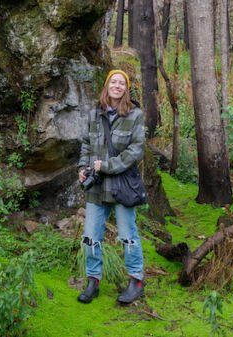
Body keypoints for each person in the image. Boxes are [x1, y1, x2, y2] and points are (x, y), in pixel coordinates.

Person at [76, 69, 145, 305]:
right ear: (107, 86)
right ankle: (93, 281)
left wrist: (106, 166)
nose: (117, 86)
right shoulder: (95, 114)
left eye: (121, 83)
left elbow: (136, 151)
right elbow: (86, 144)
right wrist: (83, 168)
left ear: (126, 88)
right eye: (113, 82)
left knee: (128, 236)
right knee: (91, 236)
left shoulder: (135, 115)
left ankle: (136, 280)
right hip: (96, 187)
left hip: (122, 185)